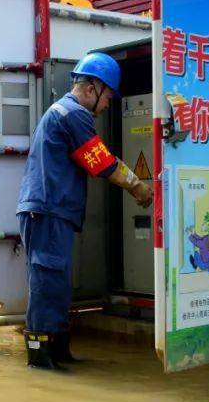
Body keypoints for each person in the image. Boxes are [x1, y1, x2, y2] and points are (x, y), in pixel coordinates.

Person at [16, 52, 153, 370]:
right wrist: (138, 186)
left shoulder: (63, 112)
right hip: (48, 212)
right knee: (47, 284)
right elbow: (101, 161)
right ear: (93, 88)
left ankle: (58, 352)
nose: (108, 106)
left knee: (57, 285)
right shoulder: (72, 113)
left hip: (51, 212)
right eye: (108, 97)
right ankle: (40, 359)